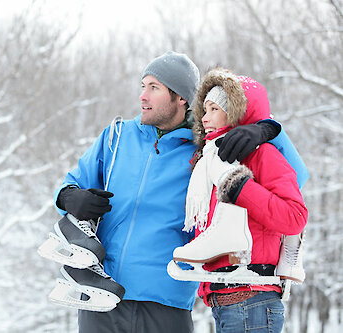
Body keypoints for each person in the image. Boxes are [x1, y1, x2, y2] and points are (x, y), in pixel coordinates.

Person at [53, 52, 308, 333]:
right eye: (143, 86)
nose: (143, 97)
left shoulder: (205, 151)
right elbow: (70, 184)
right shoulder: (116, 137)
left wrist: (267, 129)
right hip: (103, 297)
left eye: (154, 88)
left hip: (167, 301)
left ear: (181, 98)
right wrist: (69, 197)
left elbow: (296, 175)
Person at [178, 68, 308, 332]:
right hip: (225, 301)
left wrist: (240, 188)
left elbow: (295, 217)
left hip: (252, 299)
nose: (204, 119)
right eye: (204, 110)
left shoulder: (263, 155)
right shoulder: (209, 162)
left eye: (214, 109)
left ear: (237, 112)